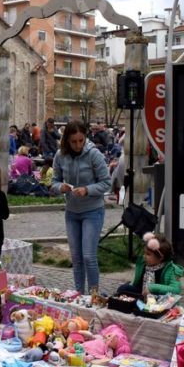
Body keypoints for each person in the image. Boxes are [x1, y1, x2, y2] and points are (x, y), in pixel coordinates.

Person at [51, 120, 110, 296]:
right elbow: (54, 181)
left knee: (88, 257)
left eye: (81, 141)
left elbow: (106, 182)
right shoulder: (60, 155)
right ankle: (78, 294)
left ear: (85, 138)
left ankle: (93, 296)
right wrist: (59, 187)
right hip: (72, 212)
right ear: (66, 141)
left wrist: (87, 190)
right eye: (73, 141)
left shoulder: (94, 154)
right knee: (76, 258)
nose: (78, 145)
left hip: (93, 211)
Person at [116, 233, 184, 297]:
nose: (144, 256)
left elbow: (176, 289)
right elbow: (136, 284)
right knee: (123, 289)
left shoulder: (171, 269)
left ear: (160, 257)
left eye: (148, 254)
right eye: (144, 253)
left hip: (160, 299)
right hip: (142, 294)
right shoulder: (143, 263)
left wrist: (152, 287)